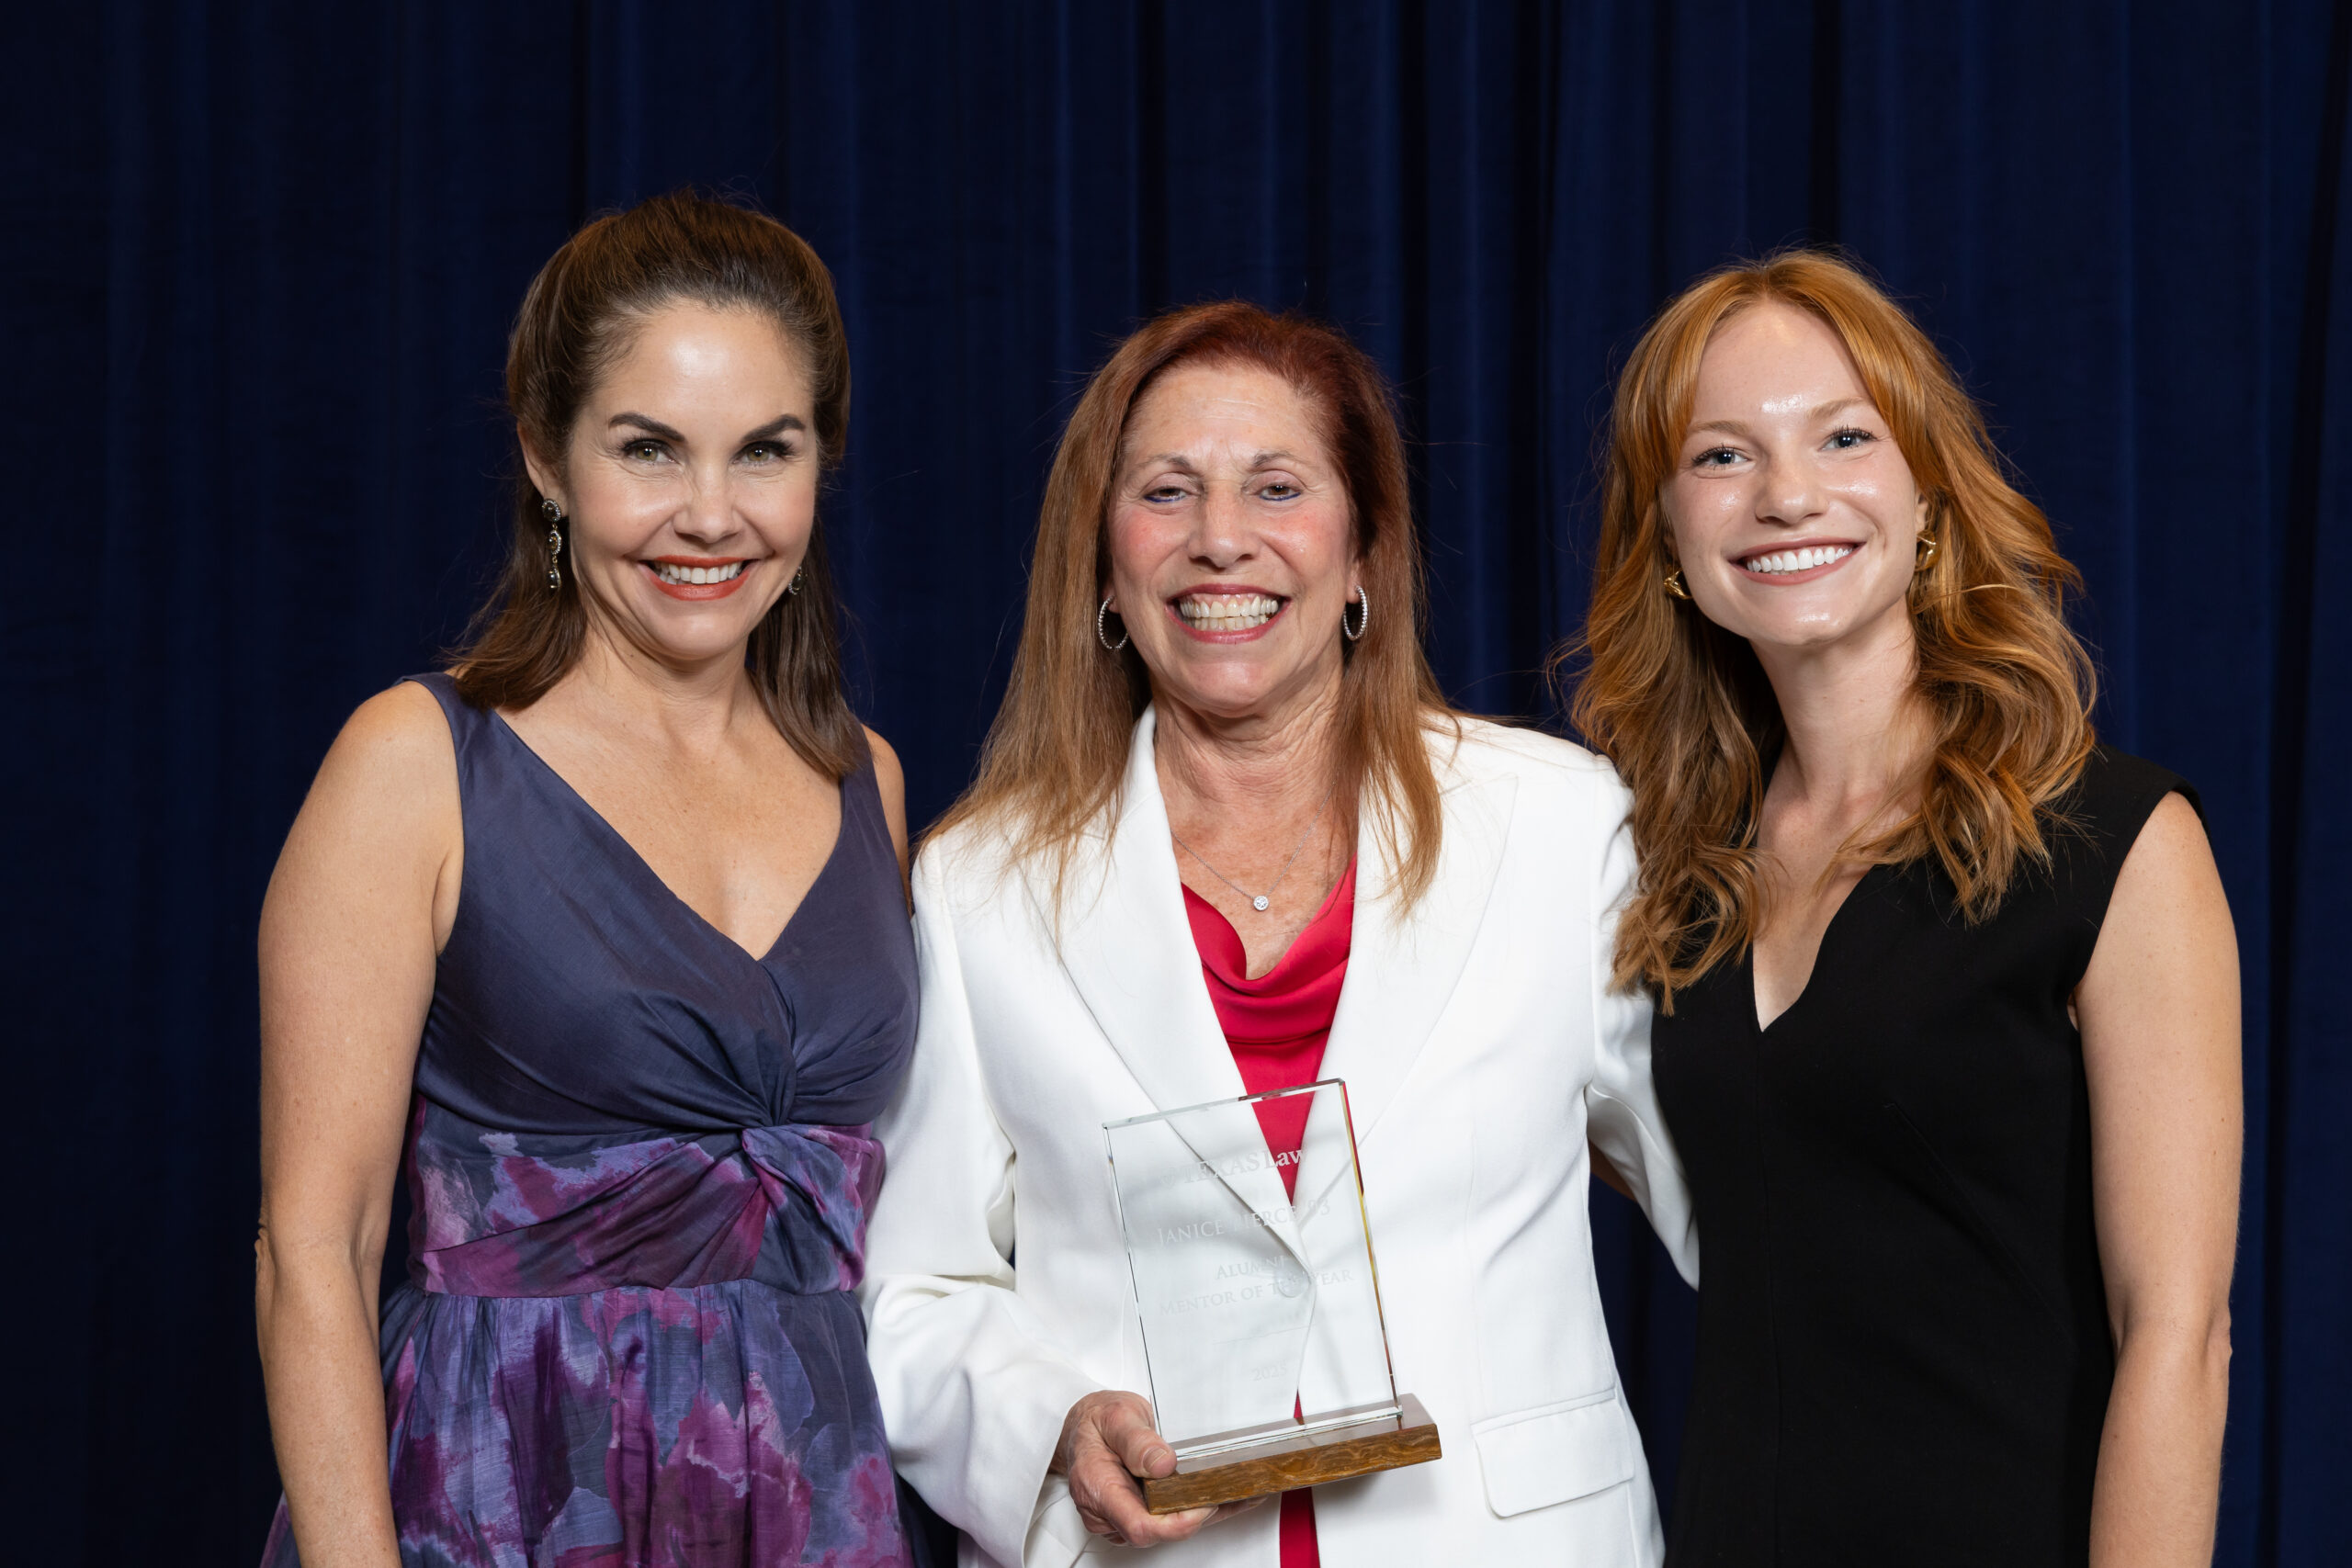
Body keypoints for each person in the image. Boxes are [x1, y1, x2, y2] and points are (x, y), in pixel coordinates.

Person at [859, 301, 1698, 1568]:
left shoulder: (1558, 829)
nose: (1220, 538)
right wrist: (1053, 1429)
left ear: (1363, 554)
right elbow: (915, 1291)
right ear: (1104, 564)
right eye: (1166, 492)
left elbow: (1742, 1188)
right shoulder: (982, 887)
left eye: (1276, 486)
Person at [254, 192, 918, 1567]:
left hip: (812, 1509)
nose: (711, 515)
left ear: (821, 463)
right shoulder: (419, 763)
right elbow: (313, 1249)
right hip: (506, 1497)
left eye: (765, 451)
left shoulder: (870, 780)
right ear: (545, 458)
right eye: (648, 449)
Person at [1571, 251, 2240, 1566]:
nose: (1787, 494)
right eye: (1721, 456)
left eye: (1842, 436)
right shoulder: (1668, 879)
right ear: (1668, 541)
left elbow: (2180, 1336)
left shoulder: (2114, 842)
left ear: (1926, 493)